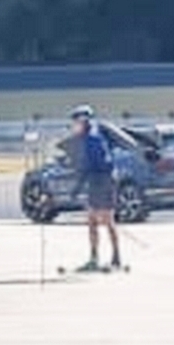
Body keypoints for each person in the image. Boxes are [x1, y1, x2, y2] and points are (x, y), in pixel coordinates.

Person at [69, 105, 121, 272]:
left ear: (83, 120)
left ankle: (106, 259)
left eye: (75, 122)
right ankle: (107, 258)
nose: (73, 125)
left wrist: (79, 186)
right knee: (97, 220)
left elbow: (99, 162)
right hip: (102, 179)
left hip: (102, 180)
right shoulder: (93, 133)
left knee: (103, 219)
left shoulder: (92, 138)